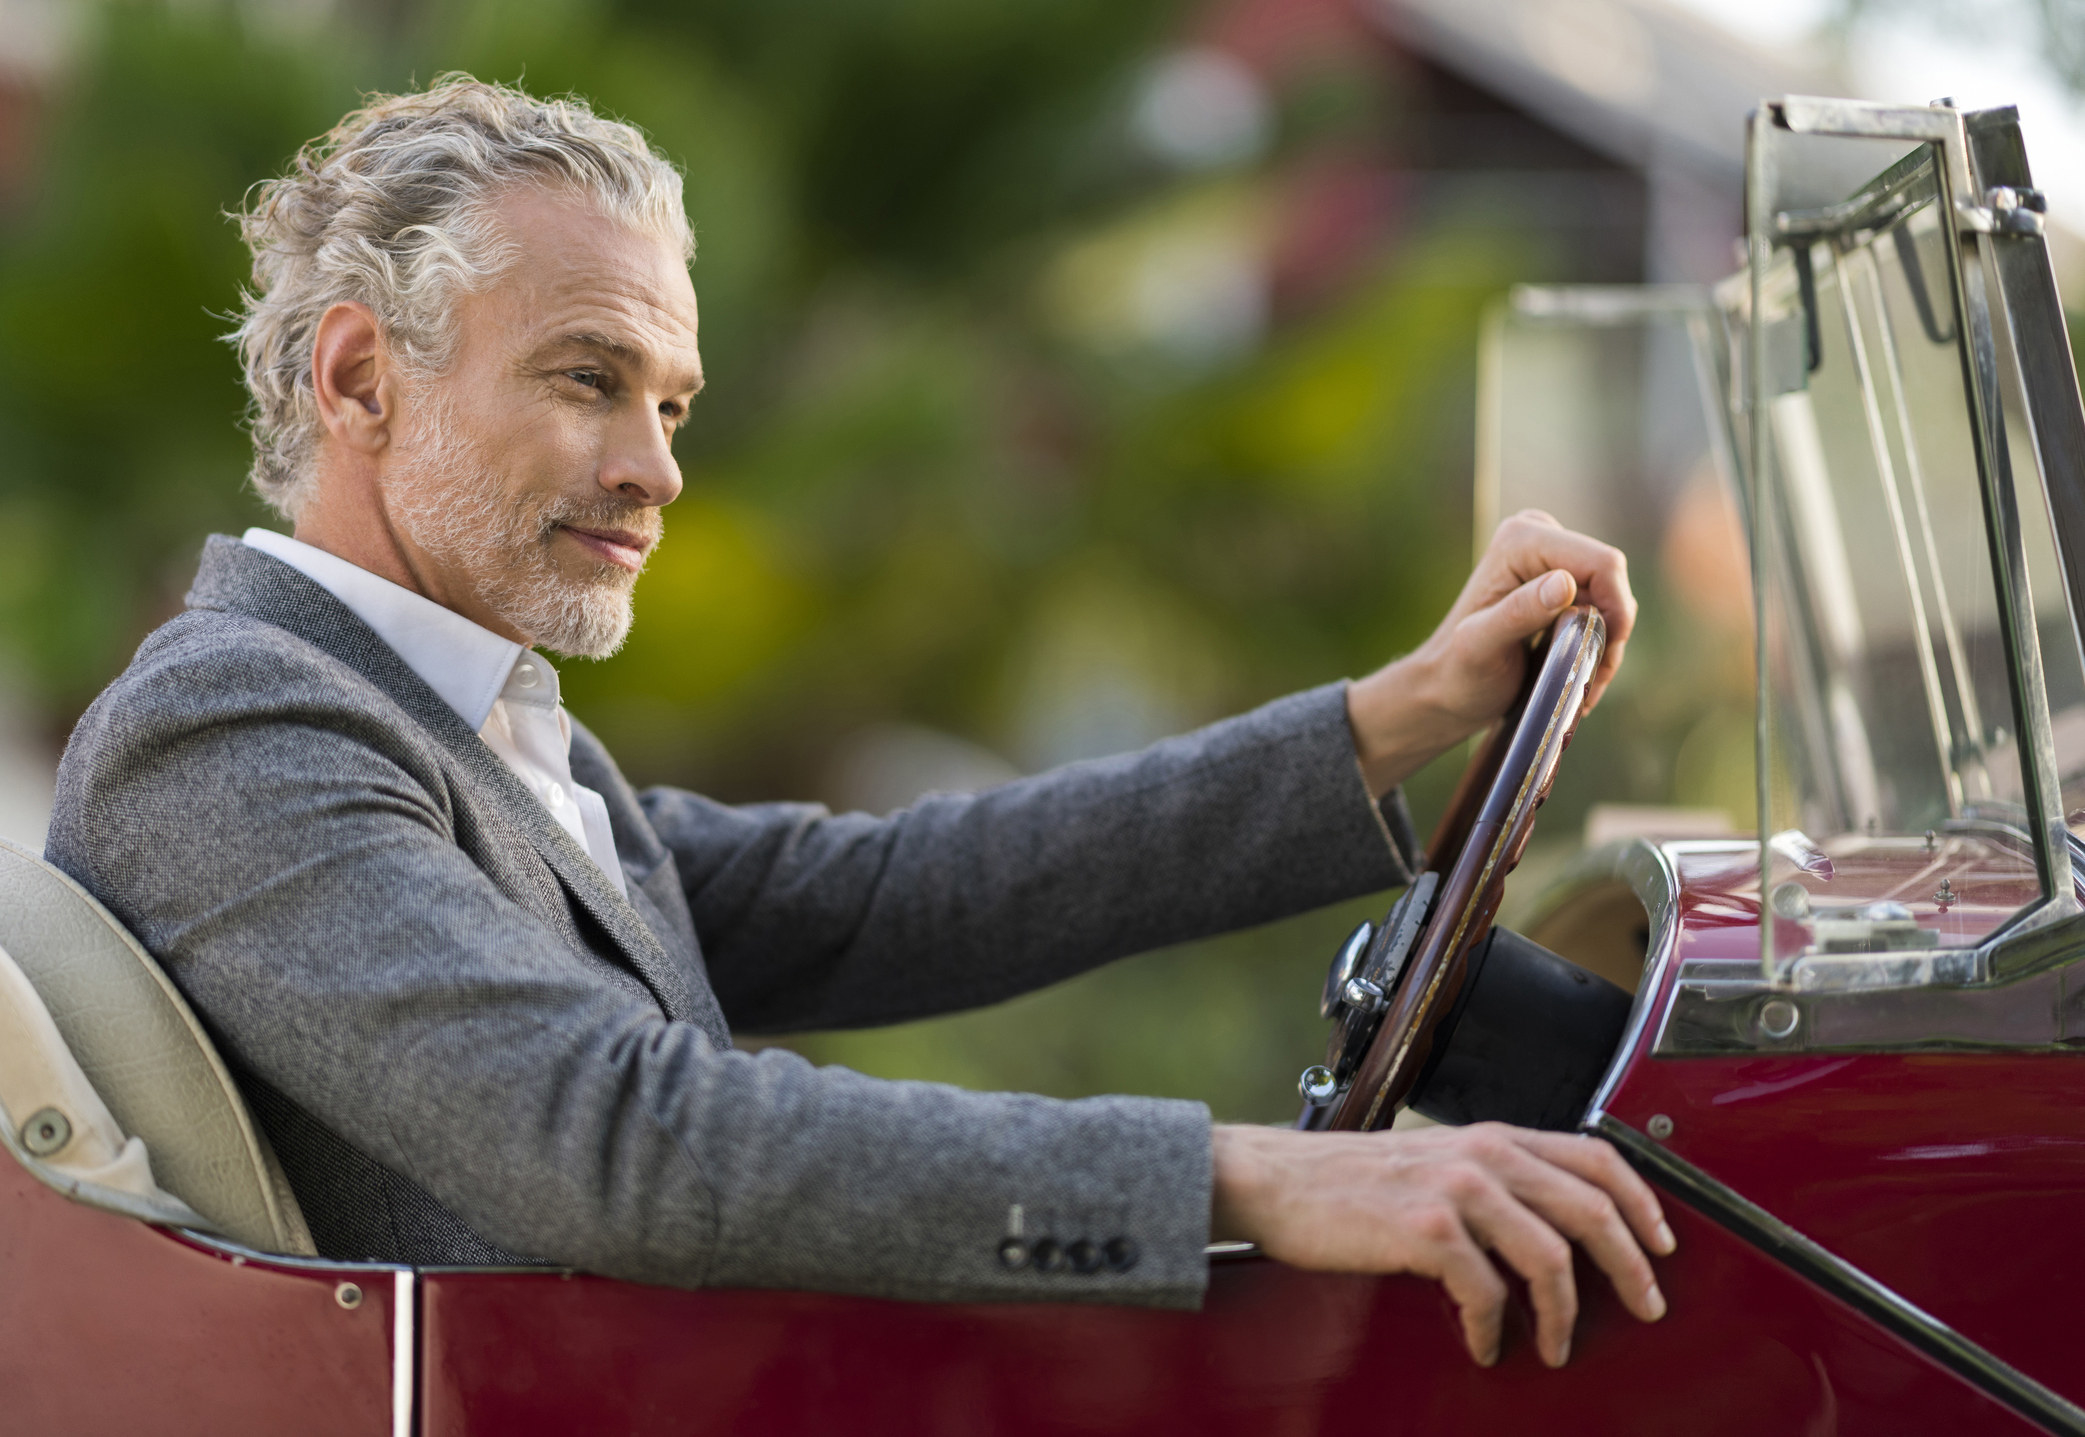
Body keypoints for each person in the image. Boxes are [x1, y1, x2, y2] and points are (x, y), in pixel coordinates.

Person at [46, 76, 1669, 1371]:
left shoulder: (445, 715)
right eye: (584, 379)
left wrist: (1388, 719)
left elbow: (883, 894)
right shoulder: (242, 726)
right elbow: (609, 1134)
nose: (657, 468)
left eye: (668, 401)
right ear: (357, 380)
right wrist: (1246, 1177)